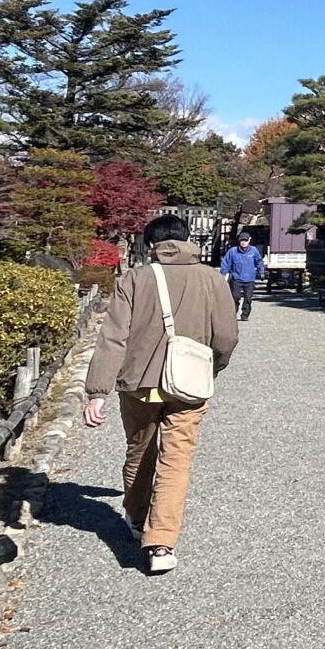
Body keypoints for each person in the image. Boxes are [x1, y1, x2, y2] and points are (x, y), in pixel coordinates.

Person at [83, 214, 240, 575]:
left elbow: (113, 337)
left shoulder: (135, 278)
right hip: (188, 387)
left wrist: (96, 392)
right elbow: (227, 336)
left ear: (151, 244)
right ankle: (161, 544)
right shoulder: (211, 278)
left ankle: (137, 518)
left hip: (139, 386)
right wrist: (213, 366)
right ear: (186, 239)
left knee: (140, 449)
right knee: (176, 459)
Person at [219, 230, 265, 320]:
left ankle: (245, 315)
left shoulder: (254, 251)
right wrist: (223, 274)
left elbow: (259, 262)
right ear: (239, 240)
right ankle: (233, 314)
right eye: (242, 240)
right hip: (236, 278)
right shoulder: (233, 251)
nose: (243, 242)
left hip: (250, 279)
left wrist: (261, 272)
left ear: (249, 241)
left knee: (248, 298)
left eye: (245, 240)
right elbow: (226, 263)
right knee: (235, 297)